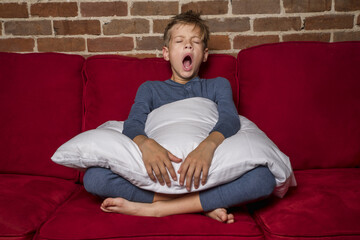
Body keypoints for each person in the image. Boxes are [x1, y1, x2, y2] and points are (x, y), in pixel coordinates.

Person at [83, 10, 275, 224]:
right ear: (166, 53)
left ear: (204, 54)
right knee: (93, 178)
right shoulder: (150, 89)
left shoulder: (217, 85)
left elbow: (230, 119)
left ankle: (157, 209)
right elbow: (133, 123)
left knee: (264, 179)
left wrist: (206, 147)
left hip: (207, 169)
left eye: (195, 42)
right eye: (180, 41)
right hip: (159, 172)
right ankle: (199, 205)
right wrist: (146, 145)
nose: (188, 46)